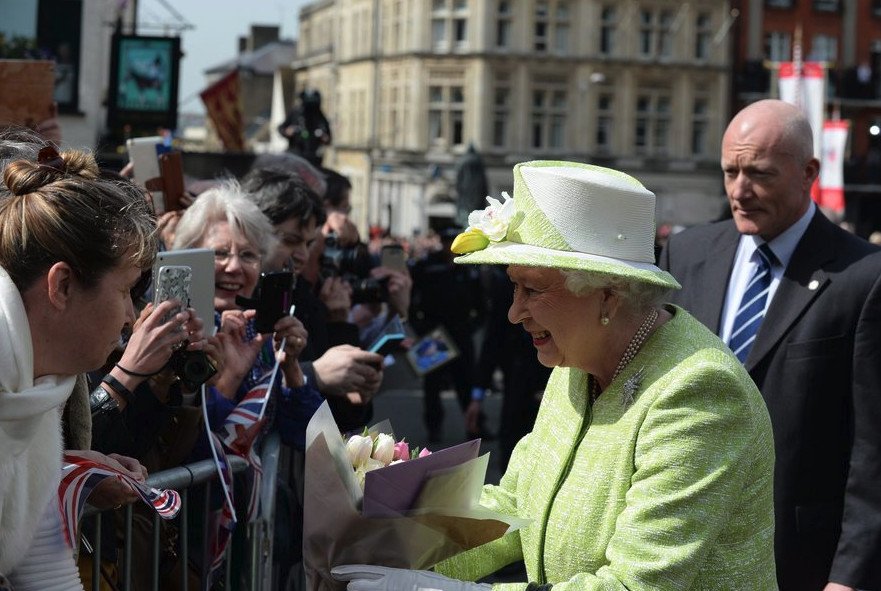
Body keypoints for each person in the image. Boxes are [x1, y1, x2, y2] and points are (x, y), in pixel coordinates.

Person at [334, 161, 777, 590]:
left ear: (608, 296)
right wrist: (386, 542)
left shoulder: (697, 392)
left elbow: (633, 585)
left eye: (533, 289)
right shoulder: (578, 363)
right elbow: (514, 507)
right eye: (513, 287)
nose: (513, 312)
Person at [659, 99, 881, 591]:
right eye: (730, 171)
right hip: (681, 546)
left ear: (808, 173)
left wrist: (850, 576)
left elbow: (873, 449)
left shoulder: (865, 278)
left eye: (759, 174)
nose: (740, 191)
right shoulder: (686, 254)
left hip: (799, 559)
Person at [0, 146, 158, 588]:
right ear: (63, 285)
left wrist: (69, 471)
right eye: (127, 290)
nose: (132, 315)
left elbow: (41, 564)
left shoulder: (40, 383)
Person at [410, 227, 487, 442]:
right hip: (434, 335)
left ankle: (475, 425)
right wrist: (420, 327)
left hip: (461, 333)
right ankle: (434, 428)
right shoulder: (427, 266)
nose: (448, 246)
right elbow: (412, 297)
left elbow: (481, 302)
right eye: (445, 240)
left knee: (466, 382)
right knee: (432, 386)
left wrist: (472, 326)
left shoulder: (468, 266)